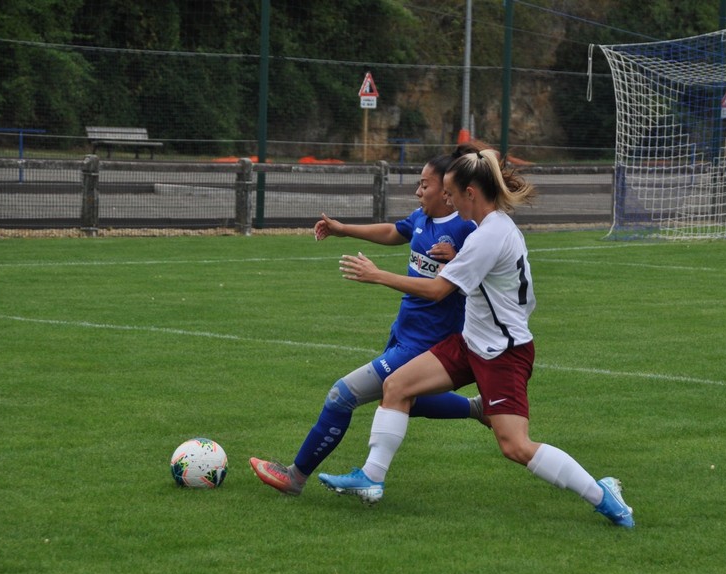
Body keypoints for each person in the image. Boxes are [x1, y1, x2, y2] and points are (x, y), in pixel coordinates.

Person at [319, 148, 635, 528]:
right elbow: (488, 155)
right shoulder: (490, 226)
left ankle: (603, 495)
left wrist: (378, 275)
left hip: (503, 352)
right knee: (397, 385)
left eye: (451, 193)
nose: (447, 200)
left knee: (514, 446)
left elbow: (437, 291)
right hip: (471, 341)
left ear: (471, 193)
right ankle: (372, 477)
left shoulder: (490, 236)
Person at [249, 154, 484, 495]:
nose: (418, 191)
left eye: (424, 184)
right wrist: (342, 229)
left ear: (448, 191)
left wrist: (381, 274)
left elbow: (457, 284)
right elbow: (394, 231)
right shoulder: (423, 219)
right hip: (404, 333)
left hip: (428, 344)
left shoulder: (466, 230)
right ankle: (476, 408)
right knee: (404, 399)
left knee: (341, 395)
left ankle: (295, 477)